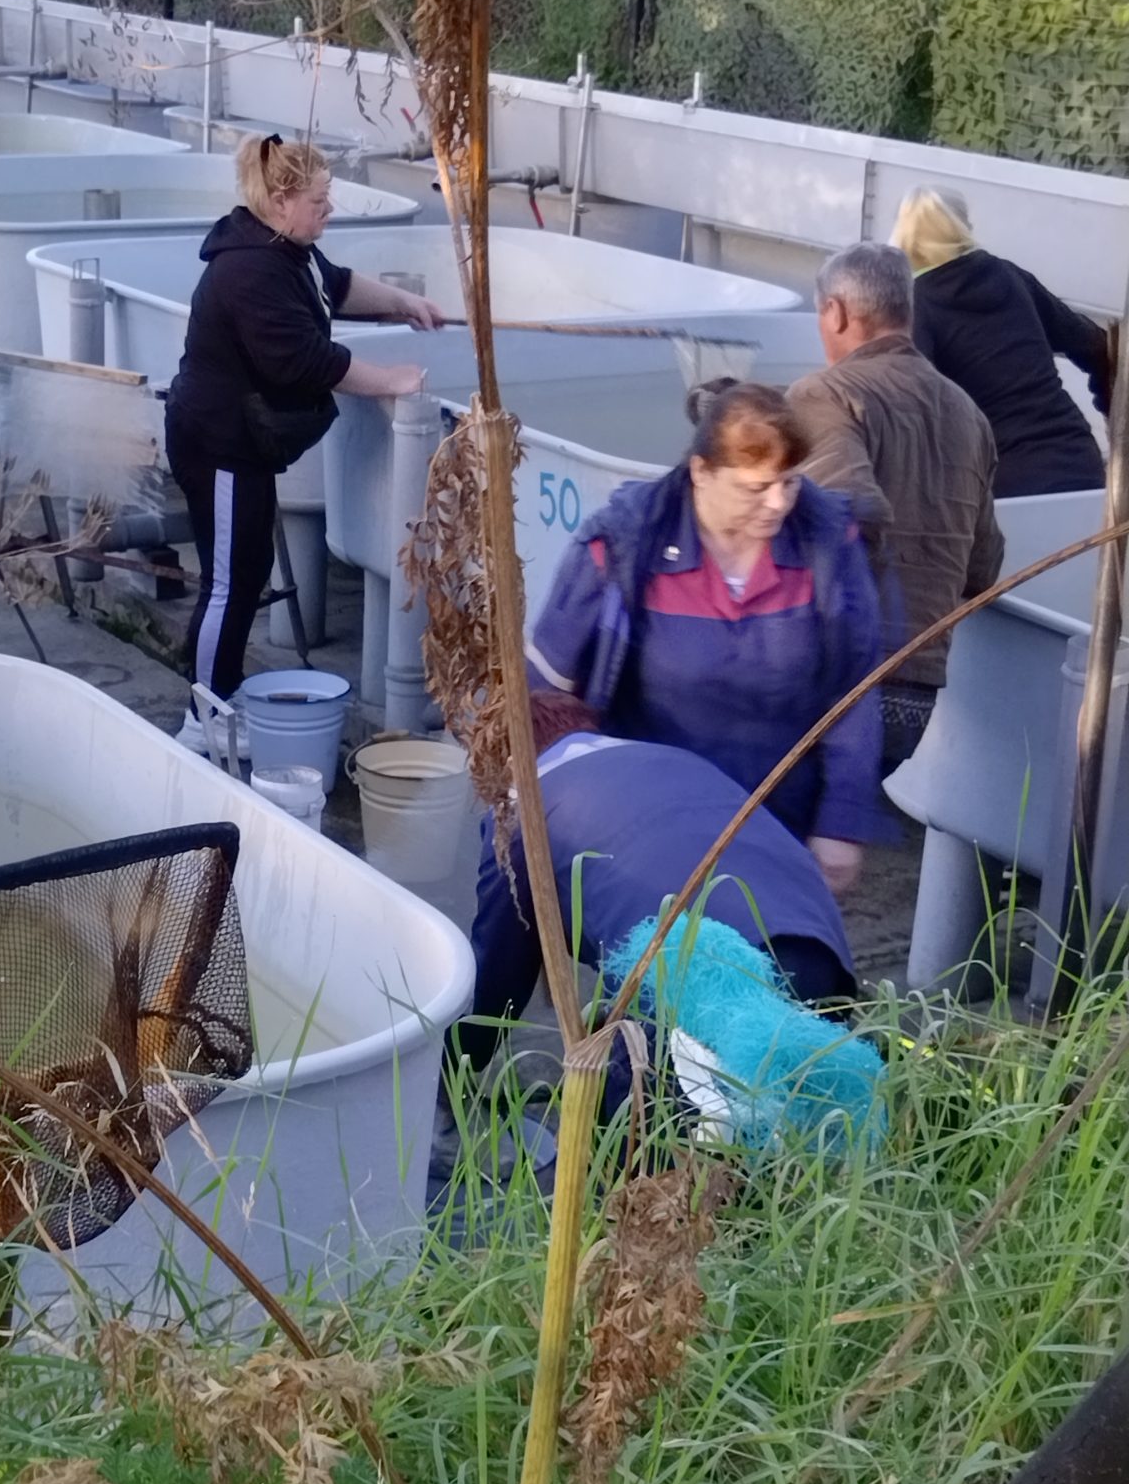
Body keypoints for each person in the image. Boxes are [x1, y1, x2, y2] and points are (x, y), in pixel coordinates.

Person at [527, 379, 883, 896]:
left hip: (780, 820)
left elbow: (854, 690)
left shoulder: (827, 545)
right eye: (755, 488)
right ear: (701, 473)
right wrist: (547, 814)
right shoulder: (622, 546)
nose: (779, 503)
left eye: (789, 481)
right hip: (647, 820)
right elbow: (546, 688)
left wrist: (841, 822)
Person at [163, 133, 437, 734]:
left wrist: (403, 302)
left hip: (244, 445)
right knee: (229, 583)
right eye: (320, 200)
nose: (329, 209)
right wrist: (391, 378)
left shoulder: (289, 248)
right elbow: (306, 362)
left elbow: (335, 285)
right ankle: (202, 716)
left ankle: (220, 700)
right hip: (219, 446)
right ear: (282, 200)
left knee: (247, 571)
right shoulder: (249, 272)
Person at [469, 690, 858, 1046]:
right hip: (817, 947)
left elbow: (500, 961)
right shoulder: (676, 758)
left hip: (697, 978)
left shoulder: (520, 809)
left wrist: (453, 1068)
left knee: (637, 1110)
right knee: (805, 1106)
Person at [788, 240, 1003, 769]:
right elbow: (983, 570)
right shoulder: (968, 413)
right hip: (915, 693)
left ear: (835, 312)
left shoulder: (824, 394)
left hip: (830, 682)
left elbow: (847, 515)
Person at [890, 187, 1110, 498]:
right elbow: (1095, 345)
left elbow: (910, 414)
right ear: (964, 225)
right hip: (1077, 460)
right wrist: (1108, 405)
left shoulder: (916, 306)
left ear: (903, 235)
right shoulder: (1010, 277)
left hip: (998, 483)